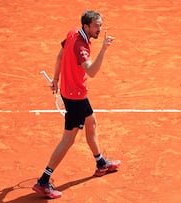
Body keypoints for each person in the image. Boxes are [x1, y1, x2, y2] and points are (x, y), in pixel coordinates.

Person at [32, 10, 121, 199]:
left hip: (71, 91)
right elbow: (92, 71)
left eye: (100, 25)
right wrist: (104, 49)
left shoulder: (73, 32)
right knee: (68, 139)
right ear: (86, 26)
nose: (100, 29)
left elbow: (60, 55)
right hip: (75, 97)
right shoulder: (82, 45)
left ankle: (101, 163)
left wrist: (56, 79)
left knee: (91, 123)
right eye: (96, 26)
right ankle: (43, 181)